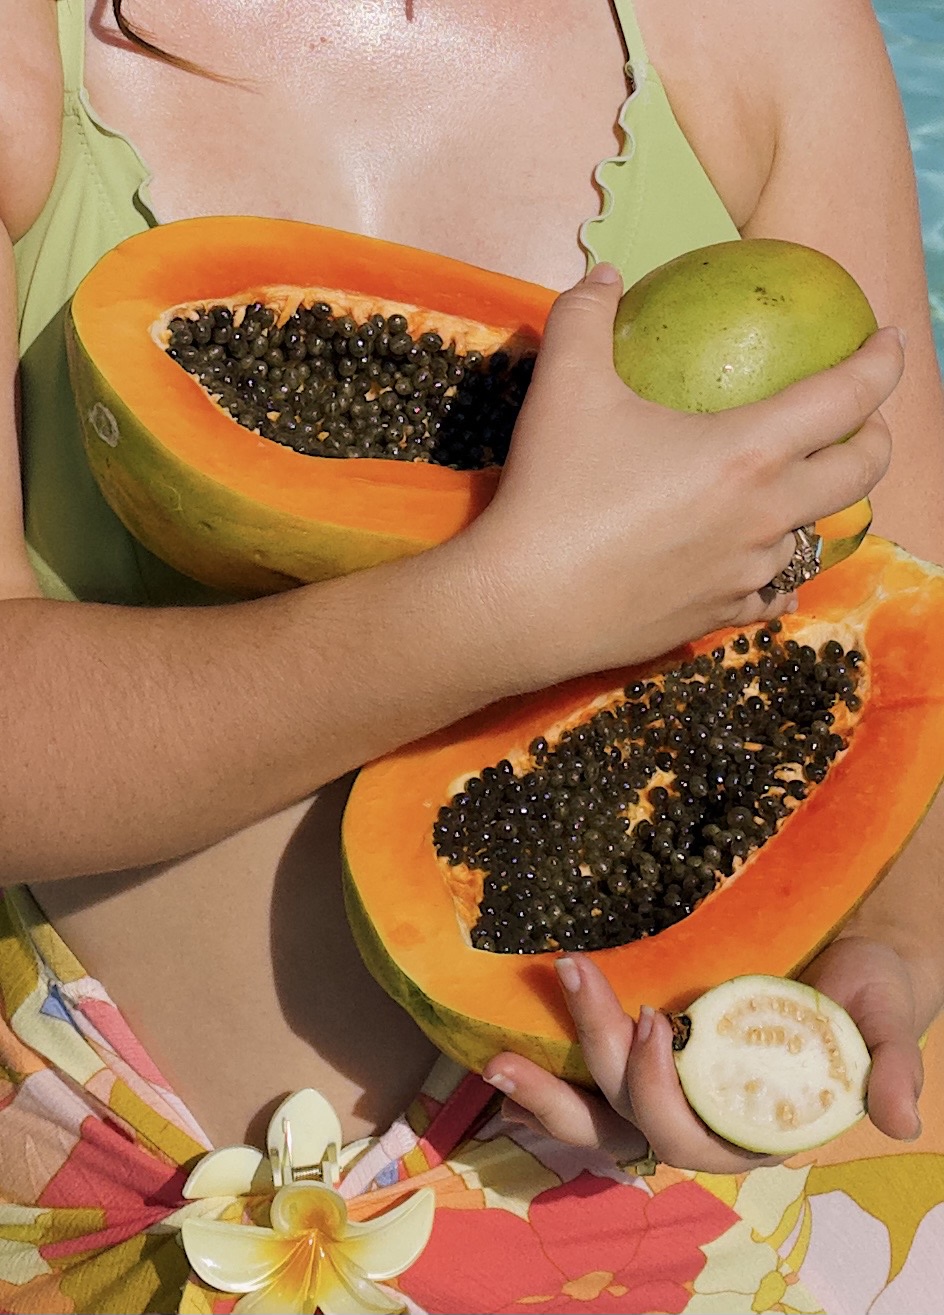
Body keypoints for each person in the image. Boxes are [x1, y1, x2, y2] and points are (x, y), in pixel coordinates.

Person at [0, 0, 942, 1311]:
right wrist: (502, 611)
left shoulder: (766, 35)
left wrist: (888, 942)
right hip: (106, 1198)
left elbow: (901, 629)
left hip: (674, 1229)